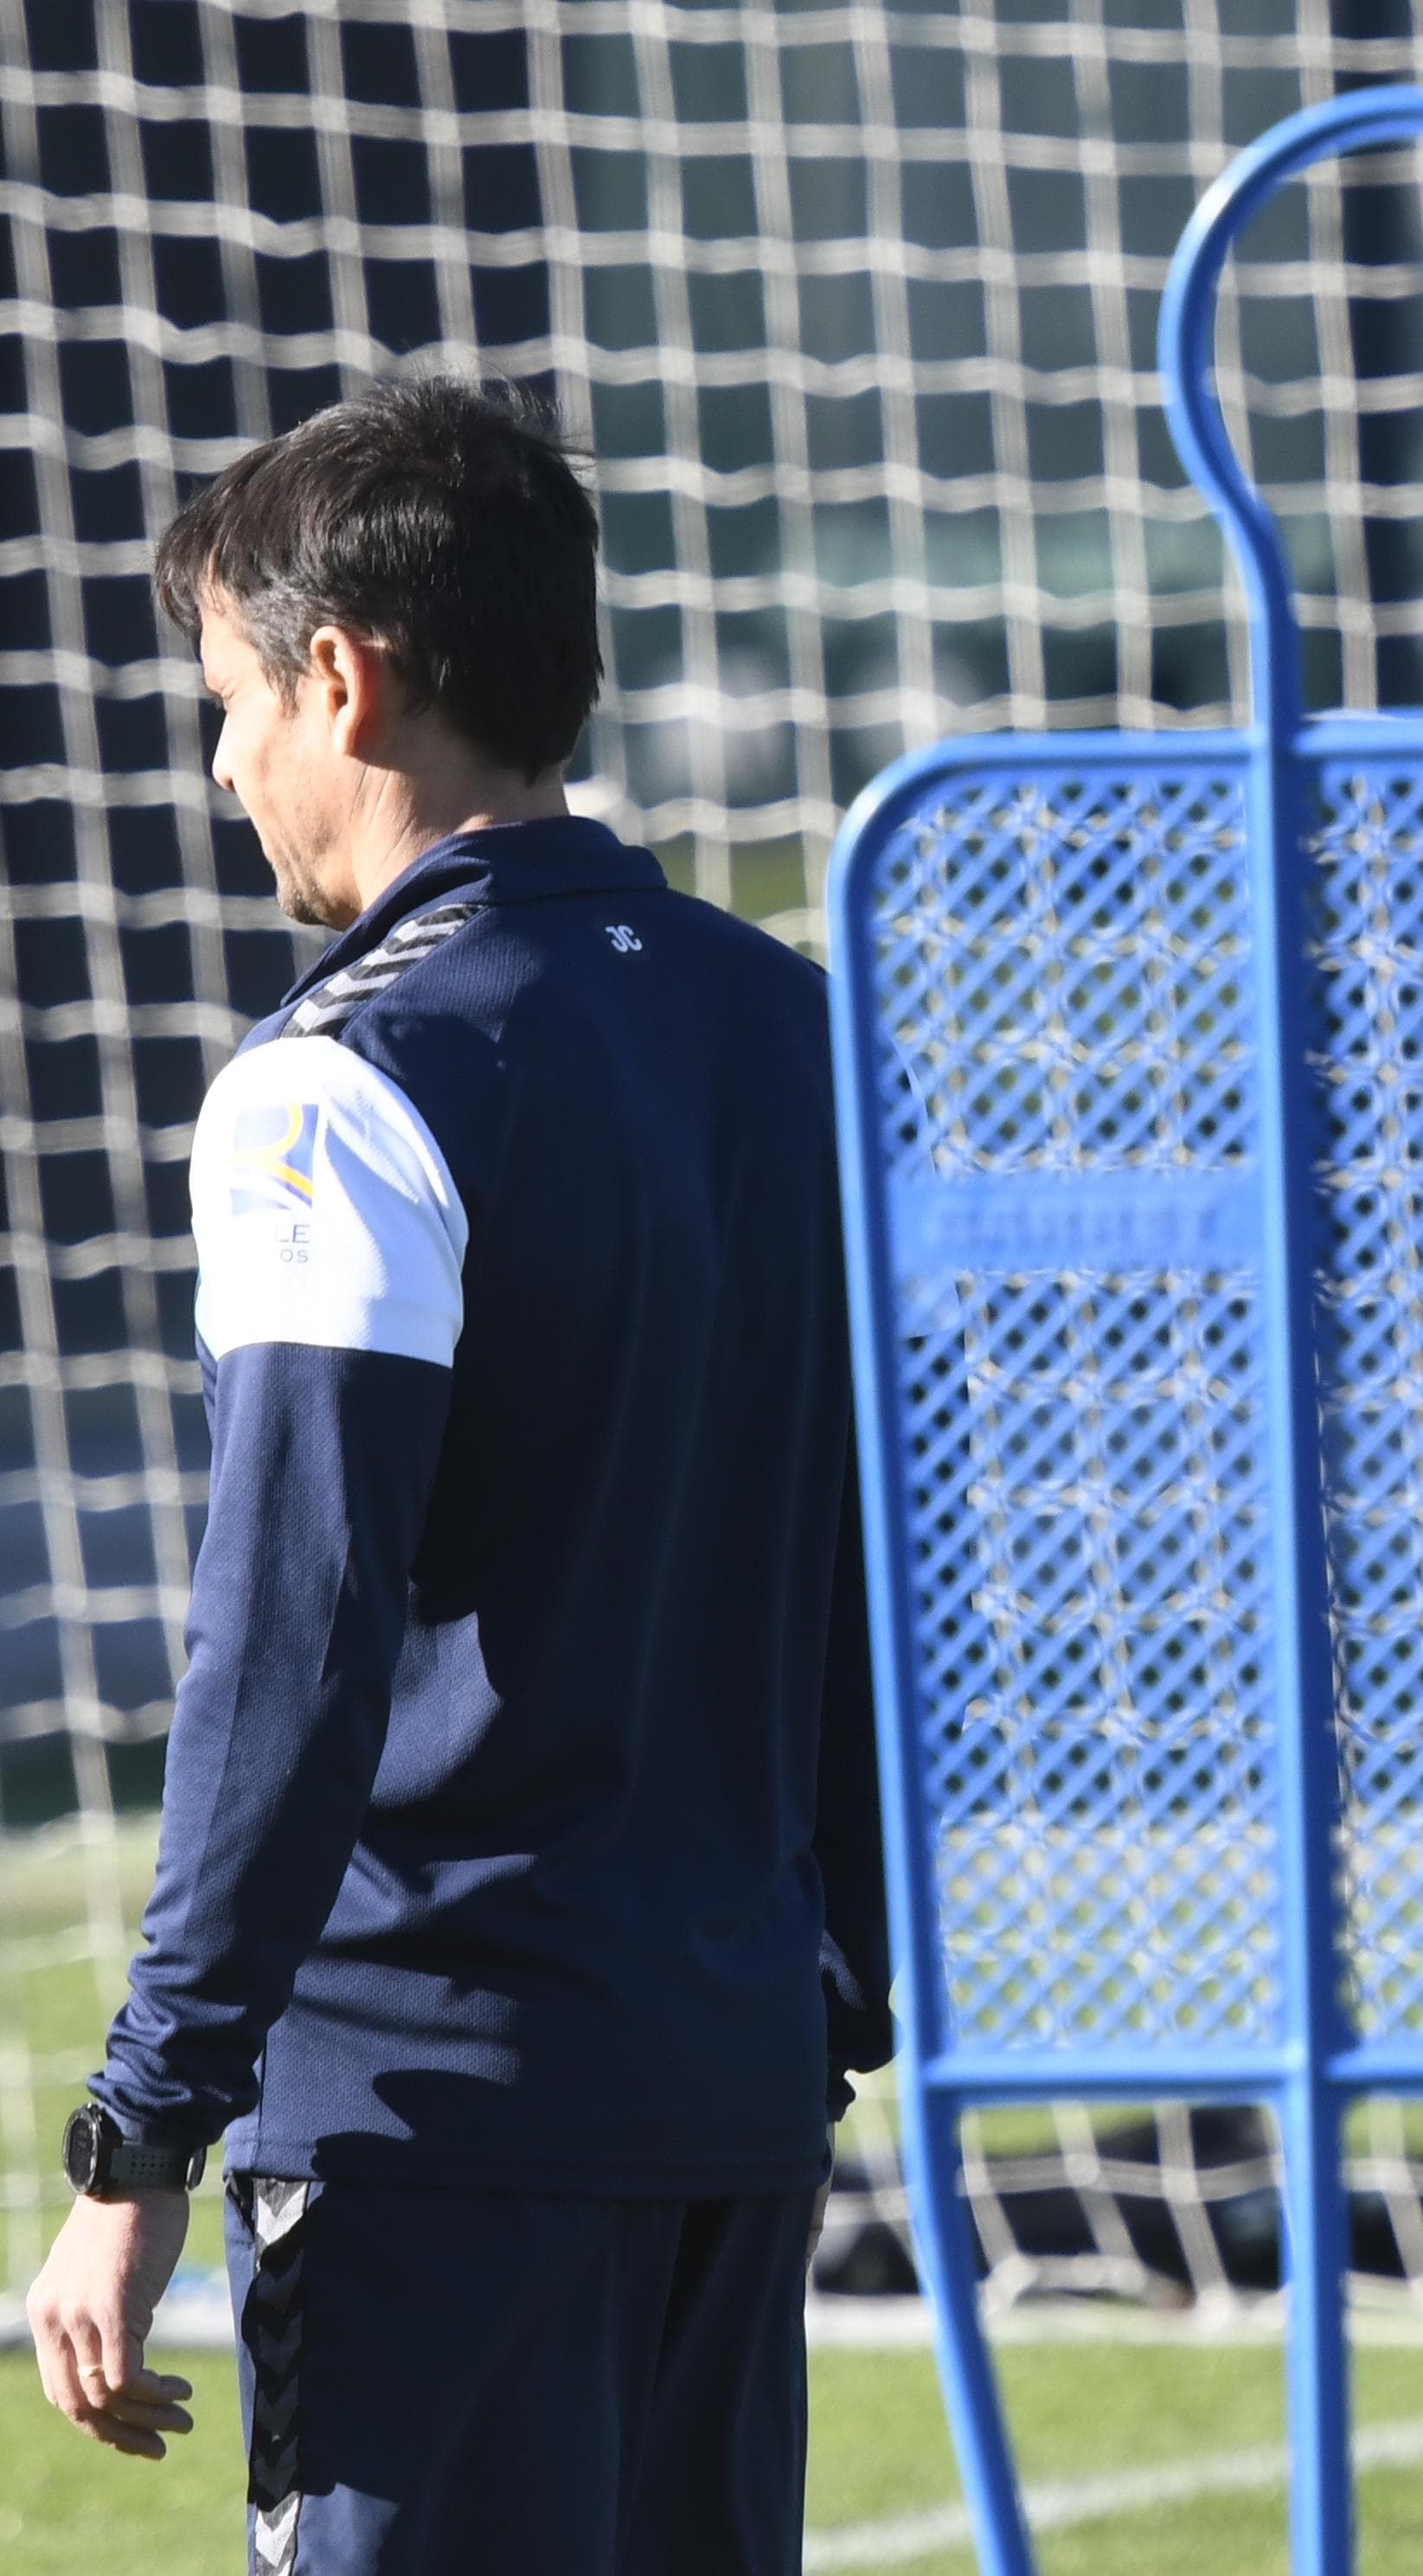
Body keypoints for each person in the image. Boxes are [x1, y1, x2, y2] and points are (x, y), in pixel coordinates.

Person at [19, 378, 890, 2575]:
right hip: (723, 2082)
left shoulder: (344, 1079)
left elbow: (290, 1647)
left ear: (344, 674)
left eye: (229, 701)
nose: (226, 769)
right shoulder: (783, 1023)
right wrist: (834, 1978)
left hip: (434, 2113)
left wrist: (139, 2138)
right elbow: (881, 1555)